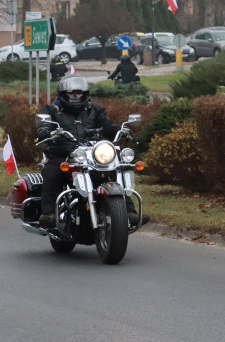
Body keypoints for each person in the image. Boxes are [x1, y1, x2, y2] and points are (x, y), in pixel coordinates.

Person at [35, 75, 149, 228]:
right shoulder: (51, 110)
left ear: (85, 93)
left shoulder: (95, 109)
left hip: (91, 154)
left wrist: (122, 130)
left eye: (79, 93)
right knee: (52, 173)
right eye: (72, 93)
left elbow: (107, 126)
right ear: (63, 94)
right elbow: (43, 124)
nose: (76, 96)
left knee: (115, 171)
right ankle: (49, 214)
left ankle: (128, 212)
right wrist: (44, 130)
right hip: (61, 154)